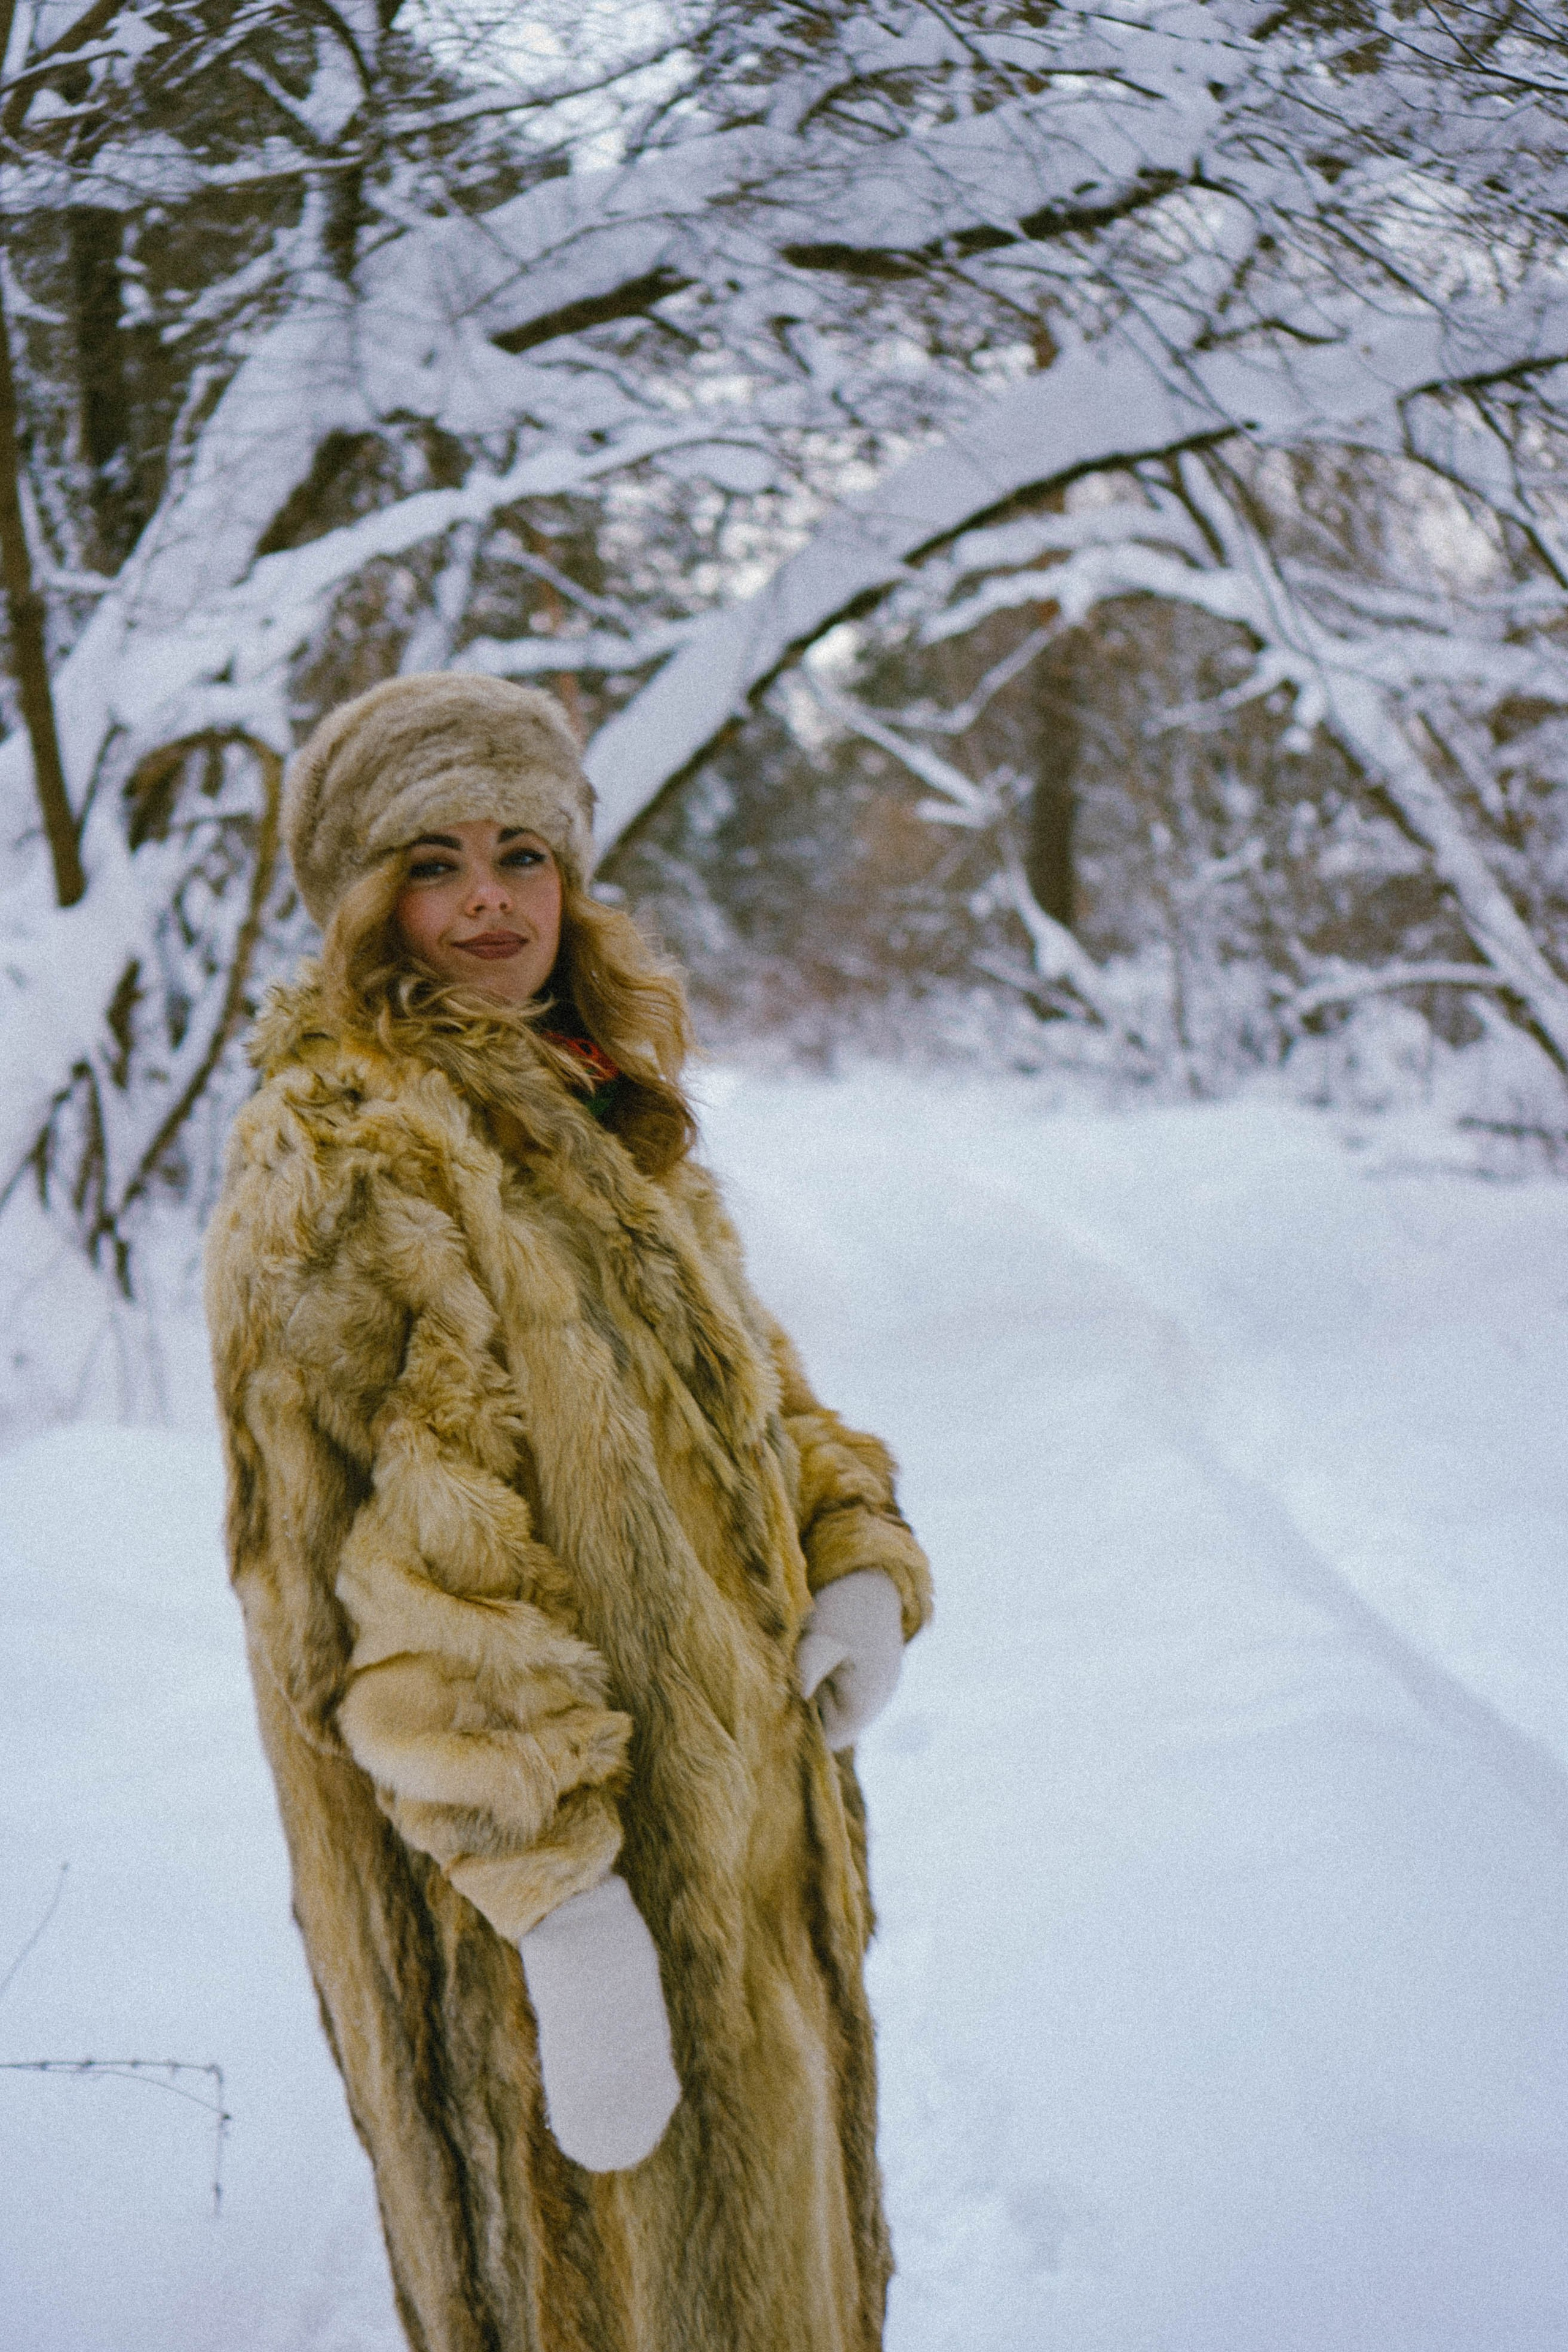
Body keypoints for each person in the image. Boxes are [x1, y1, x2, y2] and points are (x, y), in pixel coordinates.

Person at [205, 673, 933, 2352]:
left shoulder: (597, 1107)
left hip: (731, 1863)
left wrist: (856, 1560)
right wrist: (566, 1908)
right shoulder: (349, 1150)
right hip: (540, 1912)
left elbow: (763, 1393)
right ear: (362, 898)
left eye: (521, 853)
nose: (486, 903)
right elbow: (403, 1563)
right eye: (435, 861)